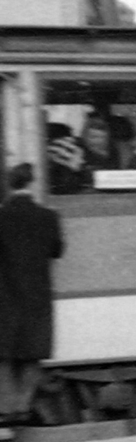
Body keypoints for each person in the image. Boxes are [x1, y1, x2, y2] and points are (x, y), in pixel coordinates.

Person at [0, 164, 64, 426]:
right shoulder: (48, 216)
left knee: (3, 355)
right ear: (32, 184)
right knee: (32, 353)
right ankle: (23, 407)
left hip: (5, 295)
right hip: (37, 294)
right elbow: (57, 250)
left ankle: (5, 408)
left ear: (9, 185)